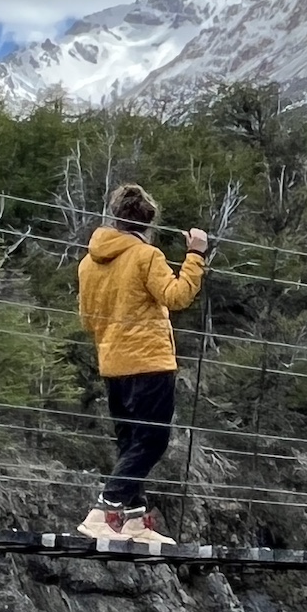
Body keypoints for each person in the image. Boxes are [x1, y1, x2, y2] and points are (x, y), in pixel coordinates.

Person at [76, 182, 210, 542]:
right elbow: (177, 296)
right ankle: (103, 511)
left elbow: (87, 320)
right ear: (148, 222)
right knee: (152, 440)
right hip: (149, 362)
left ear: (115, 217)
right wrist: (196, 255)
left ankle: (134, 520)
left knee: (130, 442)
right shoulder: (145, 256)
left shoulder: (89, 262)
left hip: (112, 363)